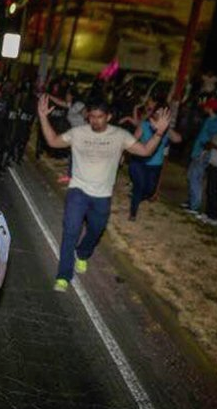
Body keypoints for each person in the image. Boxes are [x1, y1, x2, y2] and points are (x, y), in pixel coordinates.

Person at [37, 95, 171, 292]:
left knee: (96, 229)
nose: (95, 121)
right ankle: (63, 276)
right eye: (91, 117)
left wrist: (159, 133)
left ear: (108, 117)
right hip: (78, 191)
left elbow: (144, 151)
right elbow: (53, 141)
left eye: (99, 117)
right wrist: (42, 117)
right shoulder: (78, 132)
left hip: (102, 195)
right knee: (70, 231)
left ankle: (82, 253)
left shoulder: (119, 135)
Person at [128, 102, 182, 220]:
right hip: (140, 162)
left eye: (164, 113)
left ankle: (136, 197)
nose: (160, 115)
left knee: (150, 191)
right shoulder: (144, 125)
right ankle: (133, 213)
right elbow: (132, 141)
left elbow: (178, 139)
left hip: (155, 164)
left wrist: (165, 129)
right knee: (139, 186)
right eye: (158, 112)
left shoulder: (166, 130)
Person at [182, 97, 217, 215]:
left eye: (206, 106)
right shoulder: (210, 119)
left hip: (203, 153)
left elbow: (213, 139)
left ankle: (194, 206)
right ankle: (191, 201)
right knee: (191, 176)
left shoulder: (215, 122)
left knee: (196, 178)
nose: (204, 107)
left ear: (211, 108)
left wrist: (204, 151)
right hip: (198, 151)